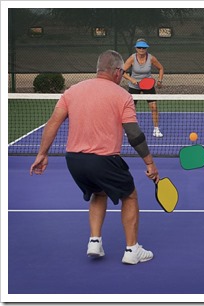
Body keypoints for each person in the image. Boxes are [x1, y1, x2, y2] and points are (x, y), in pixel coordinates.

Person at [30, 50, 159, 265]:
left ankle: (94, 242)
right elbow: (134, 134)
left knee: (99, 193)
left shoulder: (73, 91)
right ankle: (132, 250)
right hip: (104, 160)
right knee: (130, 196)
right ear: (118, 72)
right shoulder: (122, 96)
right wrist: (150, 163)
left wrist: (42, 154)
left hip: (74, 160)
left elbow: (53, 122)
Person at [122, 38, 165, 137]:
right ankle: (129, 129)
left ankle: (156, 129)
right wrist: (131, 79)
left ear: (146, 49)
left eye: (144, 48)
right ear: (136, 48)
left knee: (154, 107)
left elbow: (161, 68)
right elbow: (122, 71)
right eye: (139, 47)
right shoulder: (132, 58)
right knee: (130, 108)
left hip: (148, 85)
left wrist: (160, 80)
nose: (141, 49)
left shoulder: (151, 58)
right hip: (134, 86)